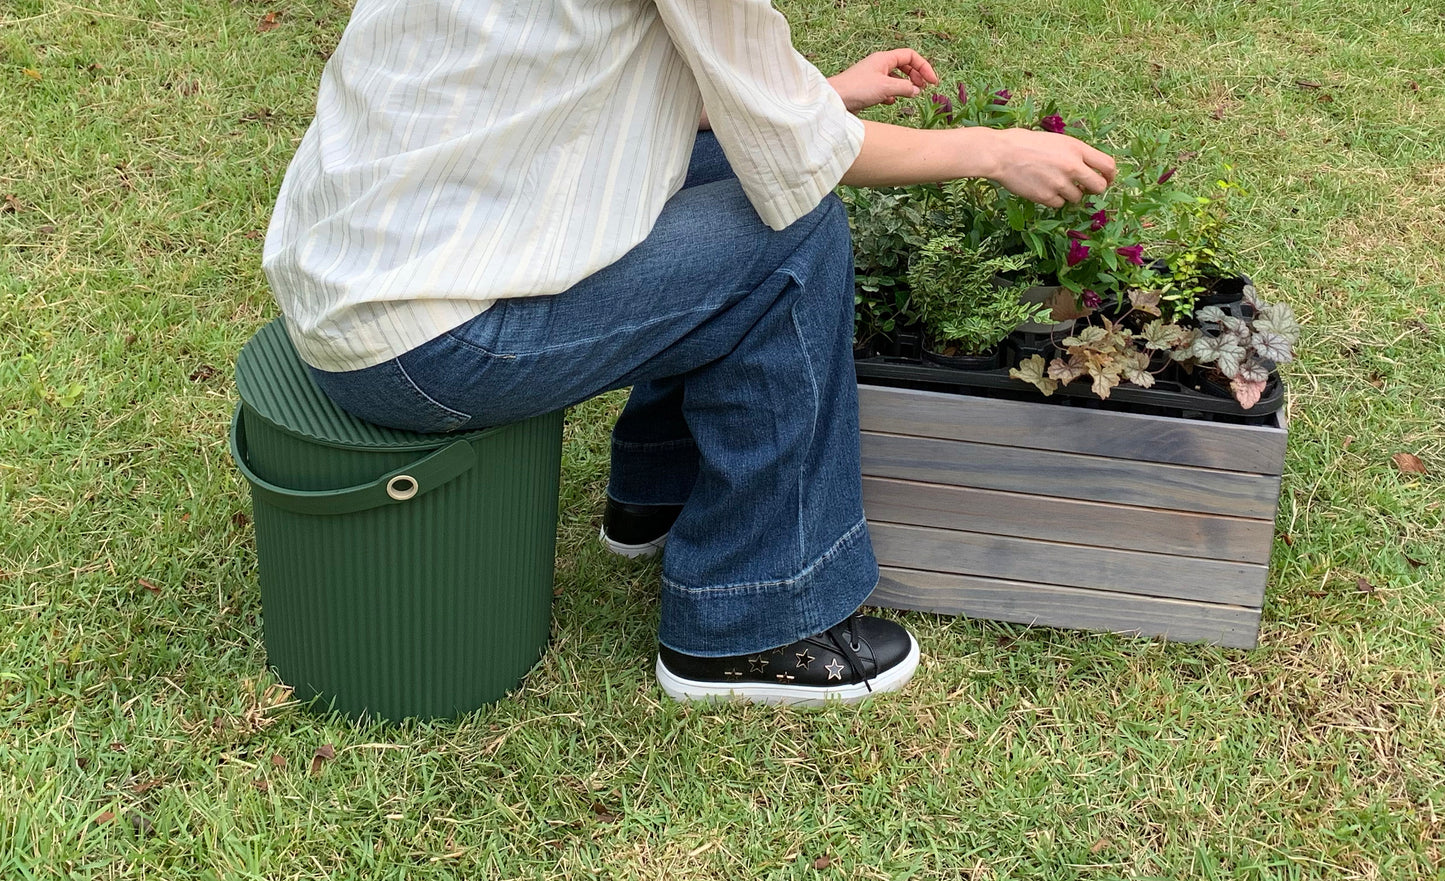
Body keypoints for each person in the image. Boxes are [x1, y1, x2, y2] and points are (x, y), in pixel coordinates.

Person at [262, 0, 1115, 706]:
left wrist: (818, 93)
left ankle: (656, 496)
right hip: (430, 348)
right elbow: (802, 157)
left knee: (717, 163)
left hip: (356, 280)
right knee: (792, 229)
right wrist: (994, 148)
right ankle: (752, 624)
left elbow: (594, 96)